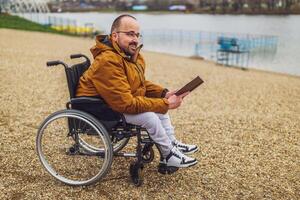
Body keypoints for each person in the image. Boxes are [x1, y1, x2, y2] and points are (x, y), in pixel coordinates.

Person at [76, 14, 198, 168]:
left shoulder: (127, 56)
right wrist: (166, 103)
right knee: (150, 116)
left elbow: (140, 84)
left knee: (160, 110)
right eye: (129, 34)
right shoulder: (108, 60)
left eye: (137, 34)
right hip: (99, 107)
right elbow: (125, 103)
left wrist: (163, 94)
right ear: (114, 36)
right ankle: (168, 154)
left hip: (112, 100)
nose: (135, 39)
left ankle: (171, 143)